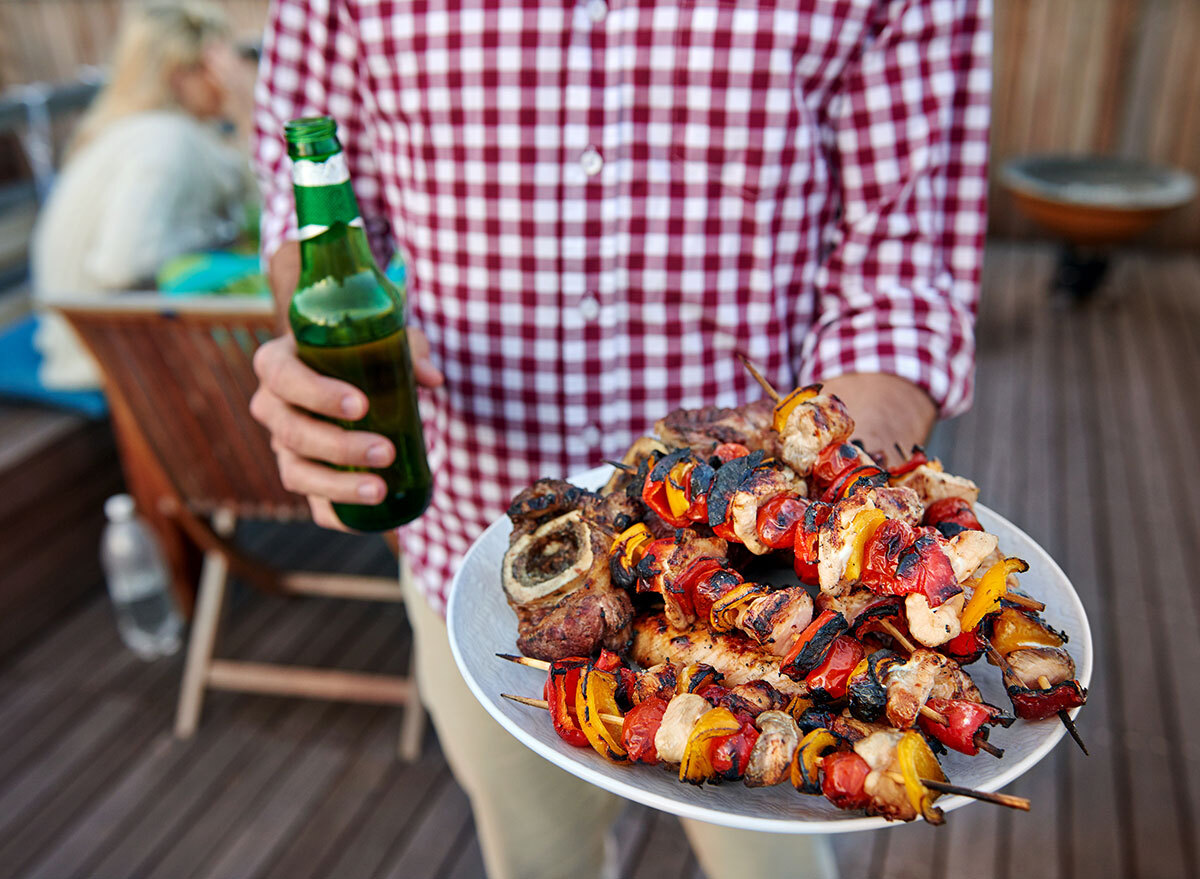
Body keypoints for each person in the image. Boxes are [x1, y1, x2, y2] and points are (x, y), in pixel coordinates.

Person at [249, 1, 990, 877]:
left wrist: (848, 522)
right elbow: (306, 215)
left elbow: (900, 280)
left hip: (774, 608)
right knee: (536, 860)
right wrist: (338, 357)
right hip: (479, 570)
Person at [30, 1, 255, 390]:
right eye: (217, 65)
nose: (228, 77)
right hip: (101, 357)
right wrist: (250, 111)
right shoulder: (165, 141)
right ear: (180, 75)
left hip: (80, 341)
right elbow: (122, 264)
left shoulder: (129, 131)